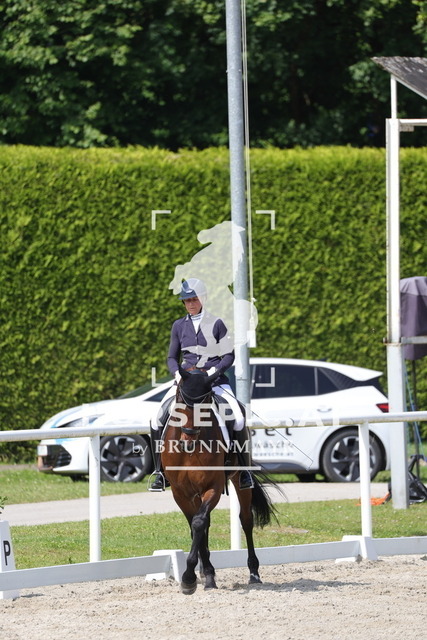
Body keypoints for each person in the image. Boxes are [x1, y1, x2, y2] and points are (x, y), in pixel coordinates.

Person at [149, 278, 254, 491]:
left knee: (238, 418)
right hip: (186, 382)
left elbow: (228, 355)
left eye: (194, 299)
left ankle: (244, 471)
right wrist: (177, 374)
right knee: (155, 419)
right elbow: (171, 357)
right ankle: (159, 472)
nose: (191, 304)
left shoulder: (217, 323)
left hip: (213, 382)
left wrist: (214, 372)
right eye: (187, 300)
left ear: (203, 299)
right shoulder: (179, 325)